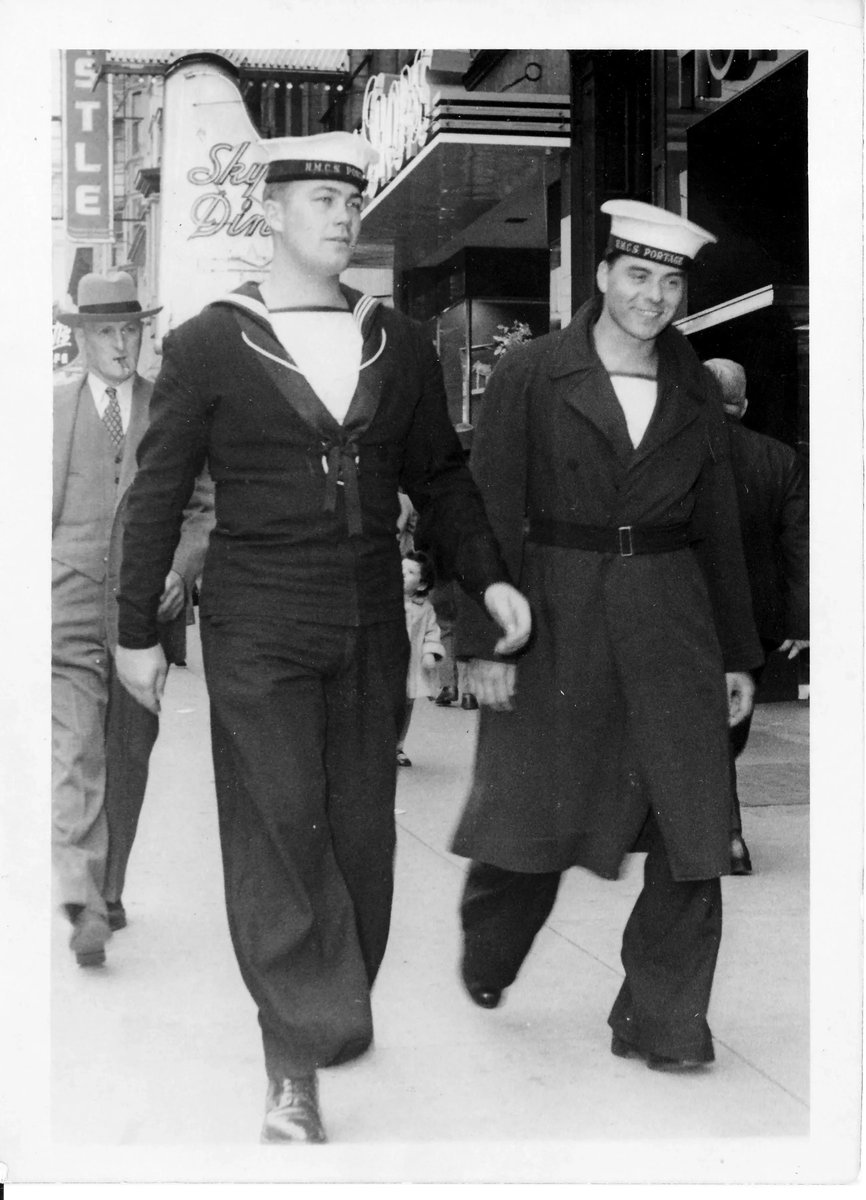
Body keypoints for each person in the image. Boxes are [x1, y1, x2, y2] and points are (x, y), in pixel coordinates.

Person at [113, 132, 531, 1144]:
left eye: (349, 205)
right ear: (270, 214)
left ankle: (329, 1002)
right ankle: (290, 1061)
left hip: (366, 624)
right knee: (277, 830)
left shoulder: (400, 339)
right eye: (317, 203)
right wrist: (135, 631)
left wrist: (488, 576)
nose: (342, 219)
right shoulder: (212, 342)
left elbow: (439, 480)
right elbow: (158, 491)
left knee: (358, 841)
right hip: (257, 622)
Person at [451, 200, 763, 1071]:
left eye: (670, 282)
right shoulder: (532, 373)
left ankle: (662, 1020)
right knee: (529, 824)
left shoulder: (696, 386)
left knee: (692, 824)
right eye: (637, 274)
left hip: (672, 617)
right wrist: (480, 638)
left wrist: (738, 652)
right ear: (601, 276)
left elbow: (719, 528)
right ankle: (490, 944)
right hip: (557, 612)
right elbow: (488, 507)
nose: (653, 297)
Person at [52, 272, 213, 968]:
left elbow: (205, 508)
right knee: (75, 748)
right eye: (107, 332)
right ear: (82, 337)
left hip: (143, 610)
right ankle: (82, 899)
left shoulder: (169, 408)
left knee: (128, 752)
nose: (122, 344)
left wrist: (180, 569)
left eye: (132, 330)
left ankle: (109, 890)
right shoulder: (48, 411)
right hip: (64, 603)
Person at [703, 357, 810, 875]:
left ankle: (725, 833)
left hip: (694, 609)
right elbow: (799, 544)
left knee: (706, 723)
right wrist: (799, 622)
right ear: (743, 404)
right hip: (757, 616)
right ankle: (724, 831)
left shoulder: (681, 453)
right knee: (729, 722)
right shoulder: (780, 457)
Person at [397, 551, 444, 766]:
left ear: (422, 585)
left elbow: (431, 632)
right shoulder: (387, 602)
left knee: (406, 706)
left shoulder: (424, 610)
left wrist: (429, 653)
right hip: (387, 664)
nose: (402, 574)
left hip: (410, 666)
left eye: (410, 572)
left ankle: (398, 745)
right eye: (401, 568)